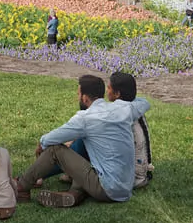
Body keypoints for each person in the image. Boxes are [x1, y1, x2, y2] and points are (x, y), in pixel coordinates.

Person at [14, 73, 149, 208]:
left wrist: (41, 144)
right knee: (87, 145)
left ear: (84, 98)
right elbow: (144, 103)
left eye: (78, 94)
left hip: (107, 189)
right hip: (126, 187)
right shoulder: (125, 108)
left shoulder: (85, 118)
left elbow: (50, 139)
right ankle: (75, 194)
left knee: (55, 150)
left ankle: (21, 186)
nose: (77, 97)